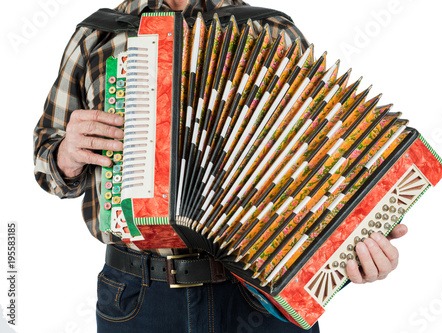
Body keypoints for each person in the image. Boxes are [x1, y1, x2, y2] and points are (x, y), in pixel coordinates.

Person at [33, 0, 408, 332]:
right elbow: (46, 163)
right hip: (139, 297)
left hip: (260, 292)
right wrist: (65, 155)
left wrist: (359, 238)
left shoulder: (271, 31)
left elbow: (327, 166)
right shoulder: (97, 35)